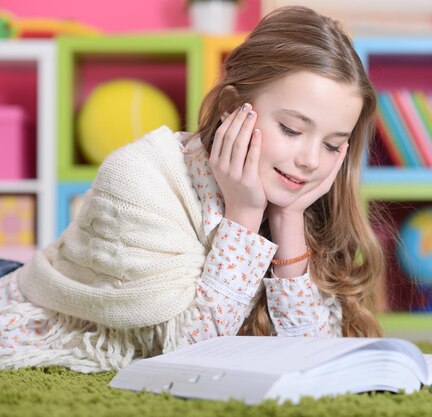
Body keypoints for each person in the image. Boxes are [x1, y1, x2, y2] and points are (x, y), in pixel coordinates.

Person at [0, 5, 386, 372]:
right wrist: (244, 217)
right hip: (22, 291)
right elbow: (191, 355)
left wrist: (288, 220)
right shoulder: (140, 175)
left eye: (333, 145)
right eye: (291, 130)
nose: (311, 161)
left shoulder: (303, 201)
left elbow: (314, 356)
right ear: (233, 109)